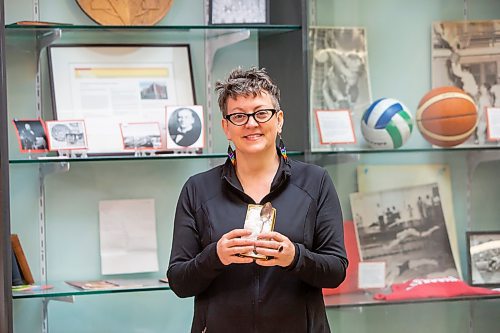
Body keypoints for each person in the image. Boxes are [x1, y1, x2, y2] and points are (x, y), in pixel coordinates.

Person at [167, 67, 347, 333]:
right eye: (239, 116)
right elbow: (179, 282)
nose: (251, 123)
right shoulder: (198, 190)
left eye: (262, 113)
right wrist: (215, 255)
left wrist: (294, 257)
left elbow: (336, 271)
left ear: (279, 120)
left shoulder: (316, 182)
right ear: (226, 127)